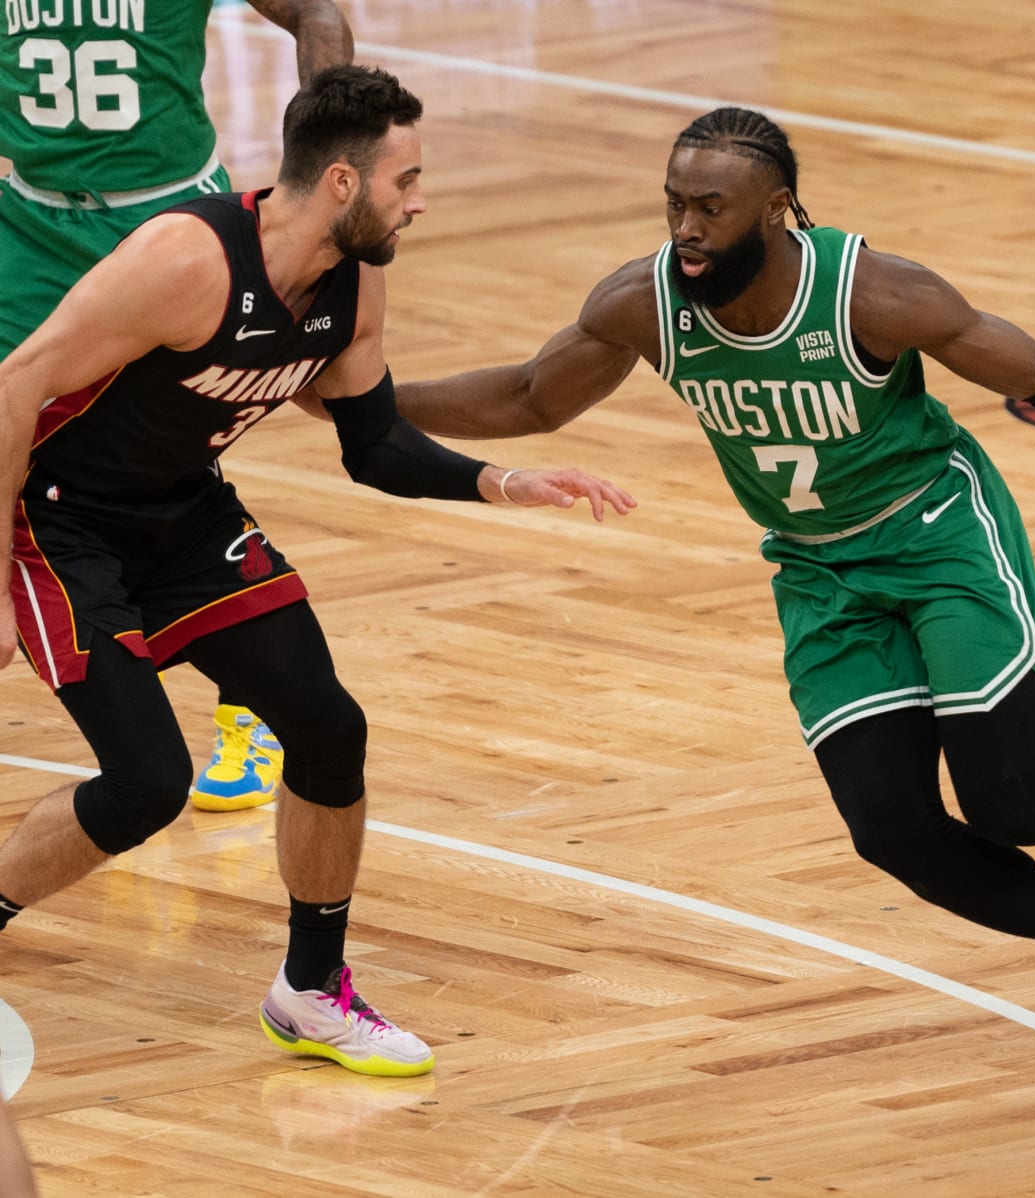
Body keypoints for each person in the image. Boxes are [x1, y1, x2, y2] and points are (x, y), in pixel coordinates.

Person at [394, 106, 1035, 1083]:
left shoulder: (874, 296)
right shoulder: (643, 303)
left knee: (1012, 801)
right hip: (818, 571)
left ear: (778, 210)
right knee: (896, 832)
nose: (685, 229)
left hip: (939, 540)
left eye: (711, 208)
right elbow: (528, 397)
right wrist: (364, 402)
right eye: (675, 204)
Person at [0, 65, 634, 1077]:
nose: (420, 200)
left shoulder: (355, 277)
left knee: (331, 729)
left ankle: (310, 990)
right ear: (343, 182)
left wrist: (500, 481)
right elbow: (18, 381)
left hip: (185, 516)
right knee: (149, 784)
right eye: (407, 178)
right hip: (62, 525)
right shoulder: (187, 258)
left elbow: (373, 443)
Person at [1, 0, 357, 813]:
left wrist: (335, 149)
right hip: (33, 222)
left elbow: (316, 15)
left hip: (168, 222)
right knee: (10, 416)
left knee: (176, 453)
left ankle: (249, 700)